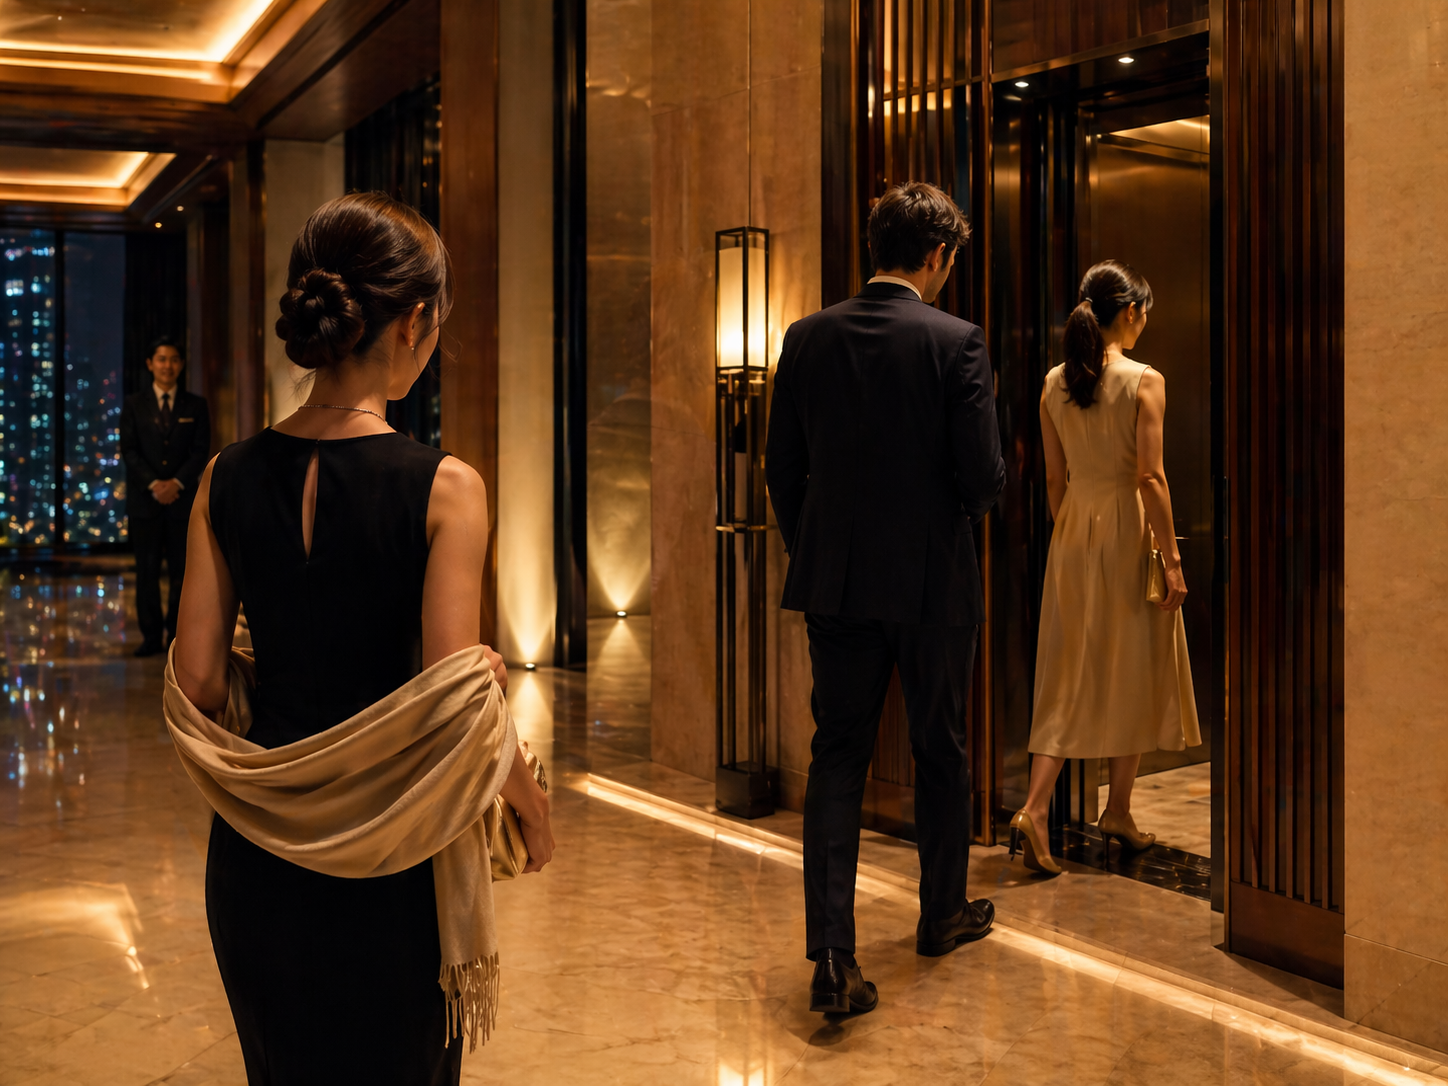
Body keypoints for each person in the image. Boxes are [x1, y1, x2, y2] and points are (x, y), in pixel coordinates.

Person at [170, 192, 555, 1084]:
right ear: (415, 321)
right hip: (394, 862)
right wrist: (530, 805)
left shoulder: (224, 476)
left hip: (257, 861)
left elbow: (195, 680)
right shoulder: (447, 486)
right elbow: (455, 698)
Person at [766, 181, 1005, 1016]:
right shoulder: (957, 341)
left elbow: (779, 471)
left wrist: (819, 546)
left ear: (877, 248)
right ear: (937, 256)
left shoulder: (806, 336)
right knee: (941, 748)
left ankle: (832, 957)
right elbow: (982, 479)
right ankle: (941, 913)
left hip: (836, 581)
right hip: (934, 584)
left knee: (837, 756)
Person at [1008, 259, 1202, 877]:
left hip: (1072, 536)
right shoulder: (1145, 380)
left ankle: (1112, 808)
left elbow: (1055, 482)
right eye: (1145, 312)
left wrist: (1076, 538)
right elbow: (1149, 477)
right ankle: (1040, 811)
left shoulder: (1053, 383)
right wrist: (1171, 560)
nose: (1146, 322)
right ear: (1130, 312)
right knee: (1133, 662)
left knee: (1070, 668)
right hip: (1127, 532)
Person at [120, 336, 210, 657]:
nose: (167, 365)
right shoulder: (133, 404)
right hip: (145, 504)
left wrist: (176, 483)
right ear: (149, 364)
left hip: (182, 505)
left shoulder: (195, 405)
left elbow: (200, 452)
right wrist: (155, 484)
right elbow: (129, 452)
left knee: (182, 574)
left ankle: (176, 637)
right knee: (145, 573)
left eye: (174, 359)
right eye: (161, 359)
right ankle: (150, 637)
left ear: (181, 364)